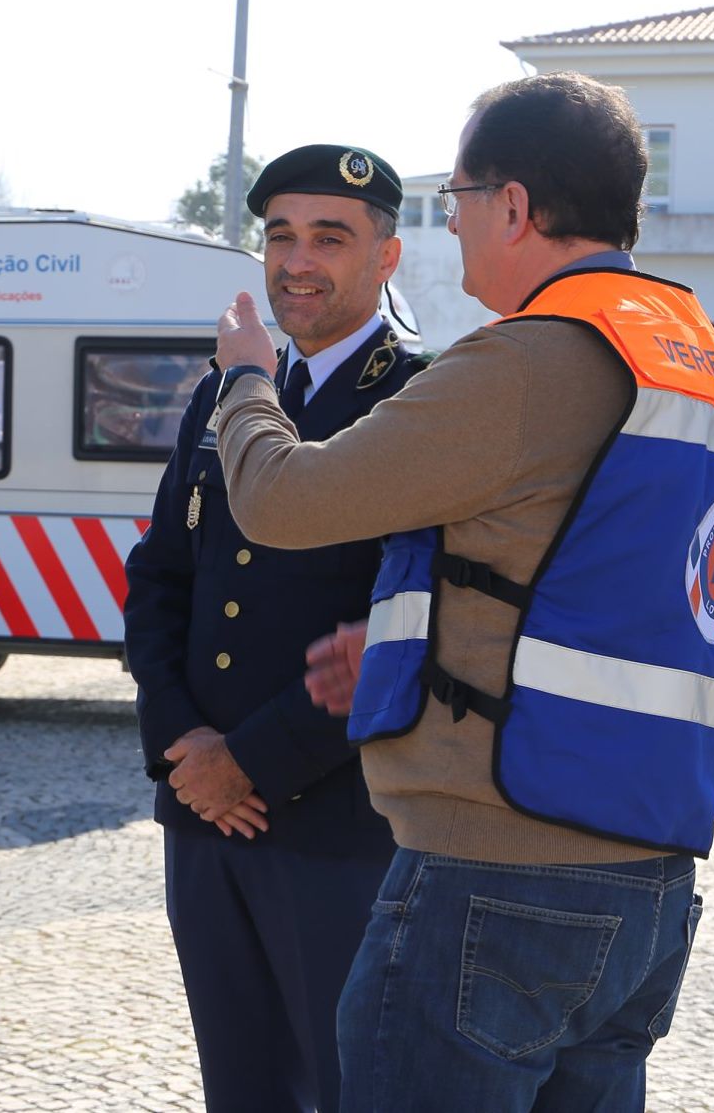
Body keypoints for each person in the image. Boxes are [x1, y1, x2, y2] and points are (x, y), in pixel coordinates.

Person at [211, 74, 714, 1112]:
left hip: (495, 880)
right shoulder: (704, 367)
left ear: (512, 206)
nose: (455, 225)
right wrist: (402, 648)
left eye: (457, 199)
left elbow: (280, 501)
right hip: (646, 879)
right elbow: (588, 584)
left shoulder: (532, 358)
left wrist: (245, 381)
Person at [126, 144, 426, 1113]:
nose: (296, 261)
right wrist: (184, 747)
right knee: (240, 1091)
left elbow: (403, 623)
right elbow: (160, 579)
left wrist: (247, 760)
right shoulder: (222, 396)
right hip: (205, 823)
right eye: (280, 236)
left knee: (353, 1090)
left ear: (385, 257)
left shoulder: (416, 402)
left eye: (328, 238)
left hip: (337, 826)